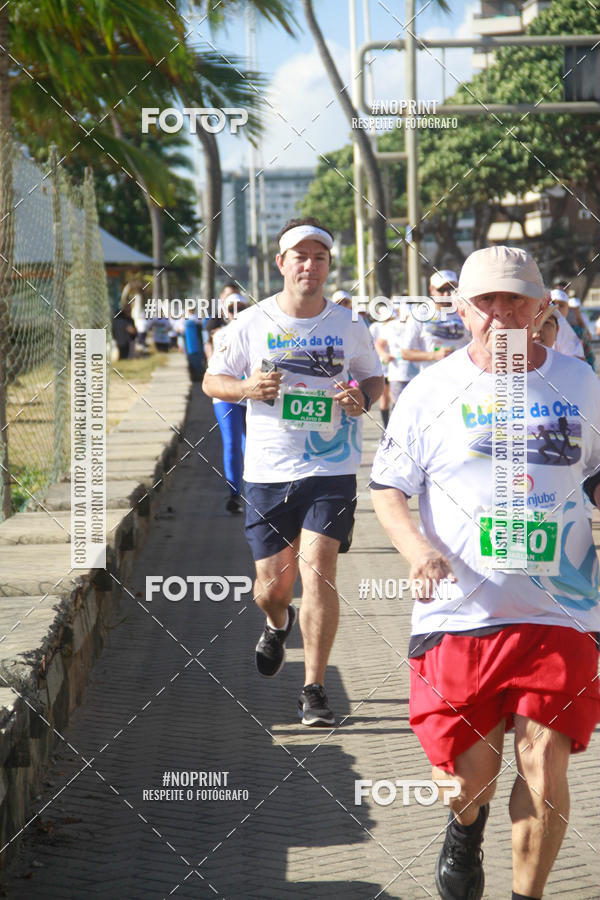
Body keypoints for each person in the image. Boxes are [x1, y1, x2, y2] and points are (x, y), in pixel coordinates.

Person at [370, 245, 600, 900]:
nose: (501, 312)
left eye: (516, 299)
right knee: (470, 779)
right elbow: (388, 488)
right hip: (460, 613)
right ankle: (464, 825)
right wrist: (419, 552)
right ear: (462, 308)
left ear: (541, 308)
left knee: (544, 763)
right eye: (486, 301)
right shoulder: (430, 391)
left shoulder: (582, 384)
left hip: (561, 608)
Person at [203, 217, 383, 726]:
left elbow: (375, 377)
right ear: (281, 264)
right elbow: (211, 381)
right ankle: (275, 623)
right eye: (299, 257)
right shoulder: (252, 322)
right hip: (269, 469)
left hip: (332, 466)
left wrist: (361, 397)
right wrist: (245, 390)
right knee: (272, 587)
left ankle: (314, 689)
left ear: (329, 265)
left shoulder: (348, 325)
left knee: (319, 570)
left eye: (319, 257)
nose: (310, 265)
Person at [209, 294, 248, 513]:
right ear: (225, 313)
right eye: (231, 308)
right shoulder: (220, 335)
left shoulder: (257, 331)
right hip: (225, 396)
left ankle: (254, 492)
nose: (236, 312)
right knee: (232, 443)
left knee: (250, 444)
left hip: (249, 395)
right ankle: (234, 495)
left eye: (241, 307)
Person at [399, 269, 470, 372]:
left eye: (451, 289)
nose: (446, 295)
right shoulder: (419, 314)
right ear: (431, 290)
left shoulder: (467, 311)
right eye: (441, 290)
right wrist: (434, 355)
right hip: (432, 378)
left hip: (463, 376)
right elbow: (405, 353)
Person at [548, 289, 585, 360]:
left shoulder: (569, 329)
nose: (557, 308)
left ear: (568, 308)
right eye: (553, 303)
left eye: (561, 305)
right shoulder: (535, 324)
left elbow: (579, 361)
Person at [566, 297, 596, 370]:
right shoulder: (565, 316)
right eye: (572, 308)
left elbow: (586, 332)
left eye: (576, 307)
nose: (575, 309)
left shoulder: (583, 317)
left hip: (582, 345)